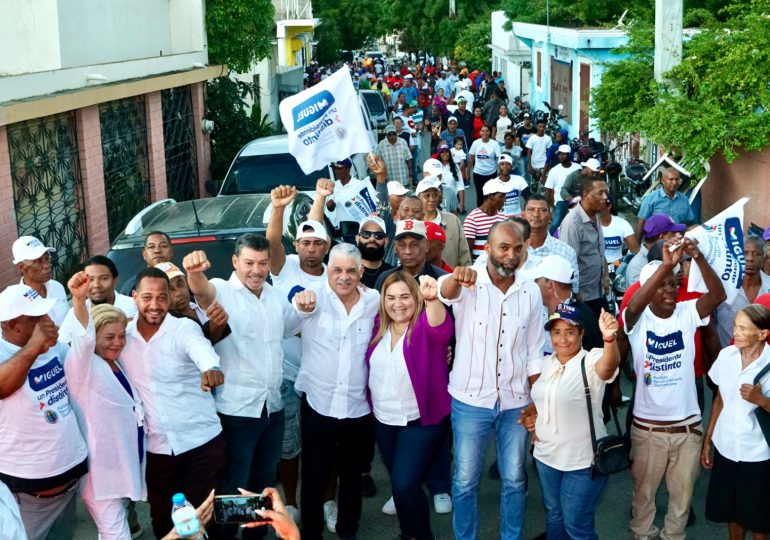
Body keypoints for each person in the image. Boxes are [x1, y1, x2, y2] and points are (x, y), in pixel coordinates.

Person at [182, 231, 302, 540]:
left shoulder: (275, 296)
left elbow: (295, 325)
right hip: (237, 412)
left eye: (263, 263)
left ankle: (254, 536)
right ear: (235, 262)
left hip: (272, 408)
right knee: (234, 486)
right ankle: (224, 537)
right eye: (249, 262)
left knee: (263, 484)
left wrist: (308, 305)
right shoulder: (223, 290)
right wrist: (194, 275)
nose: (257, 270)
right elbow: (203, 293)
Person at [438, 221, 545, 540]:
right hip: (470, 400)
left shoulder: (531, 290)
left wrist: (536, 402)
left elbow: (535, 350)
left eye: (517, 248)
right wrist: (458, 277)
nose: (511, 255)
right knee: (465, 480)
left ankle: (510, 536)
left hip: (516, 402)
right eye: (503, 247)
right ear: (487, 249)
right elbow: (445, 292)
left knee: (514, 479)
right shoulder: (468, 279)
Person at [624, 240, 726, 540]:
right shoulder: (637, 321)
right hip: (648, 430)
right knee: (643, 501)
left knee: (681, 504)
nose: (670, 290)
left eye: (674, 284)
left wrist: (698, 256)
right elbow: (632, 307)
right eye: (662, 285)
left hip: (687, 430)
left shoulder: (687, 311)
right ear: (647, 290)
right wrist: (666, 264)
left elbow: (717, 295)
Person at [120, 267, 226, 538]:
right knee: (163, 523)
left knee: (206, 520)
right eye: (147, 297)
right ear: (134, 297)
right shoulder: (123, 338)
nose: (155, 305)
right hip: (156, 450)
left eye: (162, 297)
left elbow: (203, 352)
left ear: (169, 298)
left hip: (201, 442)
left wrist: (210, 369)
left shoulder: (184, 328)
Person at [292, 244, 380, 540]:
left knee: (352, 477)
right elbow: (287, 321)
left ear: (361, 272)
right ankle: (312, 532)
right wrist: (298, 304)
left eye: (351, 271)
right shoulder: (312, 298)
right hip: (319, 406)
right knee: (314, 477)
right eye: (338, 270)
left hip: (358, 409)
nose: (344, 277)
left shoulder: (374, 301)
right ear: (328, 270)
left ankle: (348, 530)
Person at [520, 306, 620, 539]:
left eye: (569, 332)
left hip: (583, 462)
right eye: (556, 332)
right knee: (554, 514)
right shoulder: (548, 364)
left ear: (581, 334)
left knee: (577, 525)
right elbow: (546, 399)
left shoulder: (591, 359)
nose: (562, 339)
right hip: (546, 458)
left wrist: (609, 338)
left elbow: (609, 366)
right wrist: (534, 418)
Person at [365, 273, 453, 540]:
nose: (398, 304)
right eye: (391, 297)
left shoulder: (425, 326)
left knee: (403, 485)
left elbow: (442, 328)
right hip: (384, 421)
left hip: (419, 422)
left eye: (405, 296)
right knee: (404, 486)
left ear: (415, 298)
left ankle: (421, 536)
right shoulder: (377, 326)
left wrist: (432, 298)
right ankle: (409, 533)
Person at [0, 280, 90, 540]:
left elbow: (79, 363)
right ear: (12, 325)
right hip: (26, 498)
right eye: (37, 318)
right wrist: (33, 347)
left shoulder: (52, 348)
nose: (48, 321)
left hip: (69, 485)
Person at [67, 299, 146, 540]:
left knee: (111, 532)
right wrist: (79, 300)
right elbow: (83, 340)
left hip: (120, 470)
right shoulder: (83, 365)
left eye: (122, 336)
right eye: (109, 337)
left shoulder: (115, 363)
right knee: (117, 535)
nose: (118, 342)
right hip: (101, 477)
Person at [702, 304, 770, 540]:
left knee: (758, 519)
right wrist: (708, 438)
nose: (736, 333)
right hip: (726, 447)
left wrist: (761, 400)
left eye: (743, 328)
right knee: (731, 512)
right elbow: (719, 398)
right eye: (735, 326)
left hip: (759, 454)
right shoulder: (726, 356)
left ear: (763, 334)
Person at [526, 255, 603, 355]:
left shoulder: (580, 319)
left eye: (537, 281)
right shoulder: (541, 309)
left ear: (550, 286)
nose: (534, 285)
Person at [558, 176, 610, 315]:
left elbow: (599, 250)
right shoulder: (572, 224)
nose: (605, 197)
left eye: (606, 192)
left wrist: (605, 276)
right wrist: (577, 297)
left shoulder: (595, 215)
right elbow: (567, 265)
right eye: (600, 193)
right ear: (586, 195)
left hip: (598, 292)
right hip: (583, 299)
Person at [715, 235, 770, 347]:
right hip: (725, 356)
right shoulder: (722, 285)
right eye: (745, 253)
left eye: (756, 254)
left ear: (764, 259)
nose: (750, 258)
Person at [523, 194, 580, 295]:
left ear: (550, 217)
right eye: (531, 209)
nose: (536, 214)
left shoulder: (566, 252)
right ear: (522, 215)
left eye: (542, 210)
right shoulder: (513, 251)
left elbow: (573, 290)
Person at [11, 236, 69, 325]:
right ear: (21, 267)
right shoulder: (16, 304)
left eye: (47, 259)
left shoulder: (57, 287)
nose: (47, 265)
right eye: (38, 261)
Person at [415, 176, 471, 268]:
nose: (432, 199)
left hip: (451, 278)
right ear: (418, 198)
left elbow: (464, 254)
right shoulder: (415, 225)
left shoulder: (452, 220)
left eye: (434, 195)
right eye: (427, 196)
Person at [635, 167, 698, 241]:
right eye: (671, 179)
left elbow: (690, 222)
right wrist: (636, 247)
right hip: (656, 243)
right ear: (662, 181)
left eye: (677, 179)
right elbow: (641, 223)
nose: (674, 182)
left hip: (676, 242)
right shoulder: (651, 199)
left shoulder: (684, 199)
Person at [326, 159, 379, 242]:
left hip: (360, 231)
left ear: (348, 169)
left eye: (339, 168)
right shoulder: (334, 186)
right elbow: (330, 208)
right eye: (335, 169)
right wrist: (330, 205)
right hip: (343, 232)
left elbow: (372, 205)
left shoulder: (359, 185)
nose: (337, 171)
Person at [625, 214, 685, 285]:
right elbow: (643, 295)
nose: (679, 235)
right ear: (662, 237)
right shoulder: (637, 267)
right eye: (673, 233)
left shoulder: (669, 255)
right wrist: (671, 280)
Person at [463, 178, 511, 260]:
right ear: (490, 196)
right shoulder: (472, 219)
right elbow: (467, 252)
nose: (505, 200)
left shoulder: (502, 217)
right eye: (501, 196)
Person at [544, 145, 582, 233]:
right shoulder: (554, 170)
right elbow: (548, 190)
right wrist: (548, 209)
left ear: (569, 155)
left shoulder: (578, 168)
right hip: (560, 202)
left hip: (577, 201)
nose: (561, 156)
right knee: (555, 223)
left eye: (564, 154)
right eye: (559, 154)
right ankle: (546, 241)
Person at [467, 125, 502, 208]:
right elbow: (471, 159)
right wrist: (468, 172)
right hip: (478, 173)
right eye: (482, 131)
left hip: (491, 173)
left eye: (487, 131)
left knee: (491, 194)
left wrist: (501, 172)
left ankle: (491, 211)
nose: (485, 133)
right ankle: (480, 212)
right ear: (480, 132)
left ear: (490, 132)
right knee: (480, 194)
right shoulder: (476, 143)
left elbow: (499, 158)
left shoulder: (494, 144)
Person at [357, 215, 394, 289]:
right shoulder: (347, 270)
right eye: (366, 234)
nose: (372, 239)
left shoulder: (392, 274)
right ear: (357, 239)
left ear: (386, 242)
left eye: (378, 235)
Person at [600, 198, 639, 265]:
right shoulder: (589, 224)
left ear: (609, 206)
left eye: (599, 206)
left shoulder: (622, 224)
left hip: (617, 264)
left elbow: (635, 250)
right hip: (594, 267)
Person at [434, 144, 466, 214]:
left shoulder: (455, 167)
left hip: (453, 199)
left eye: (447, 152)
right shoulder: (435, 167)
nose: (445, 154)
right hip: (439, 199)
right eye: (442, 152)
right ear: (439, 154)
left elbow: (460, 186)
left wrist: (461, 203)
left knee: (452, 221)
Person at [526, 120, 553, 190]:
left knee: (544, 187)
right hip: (534, 165)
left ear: (545, 127)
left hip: (544, 165)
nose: (541, 128)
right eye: (540, 126)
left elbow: (549, 152)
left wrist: (549, 165)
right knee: (533, 188)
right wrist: (529, 165)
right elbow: (529, 152)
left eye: (543, 126)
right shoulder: (532, 138)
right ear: (537, 127)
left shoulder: (548, 138)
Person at [516, 113, 536, 180]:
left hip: (531, 154)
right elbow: (517, 141)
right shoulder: (520, 129)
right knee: (523, 173)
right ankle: (524, 188)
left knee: (530, 172)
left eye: (527, 119)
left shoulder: (534, 129)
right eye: (524, 119)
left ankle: (530, 187)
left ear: (530, 120)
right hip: (522, 154)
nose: (526, 121)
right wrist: (517, 151)